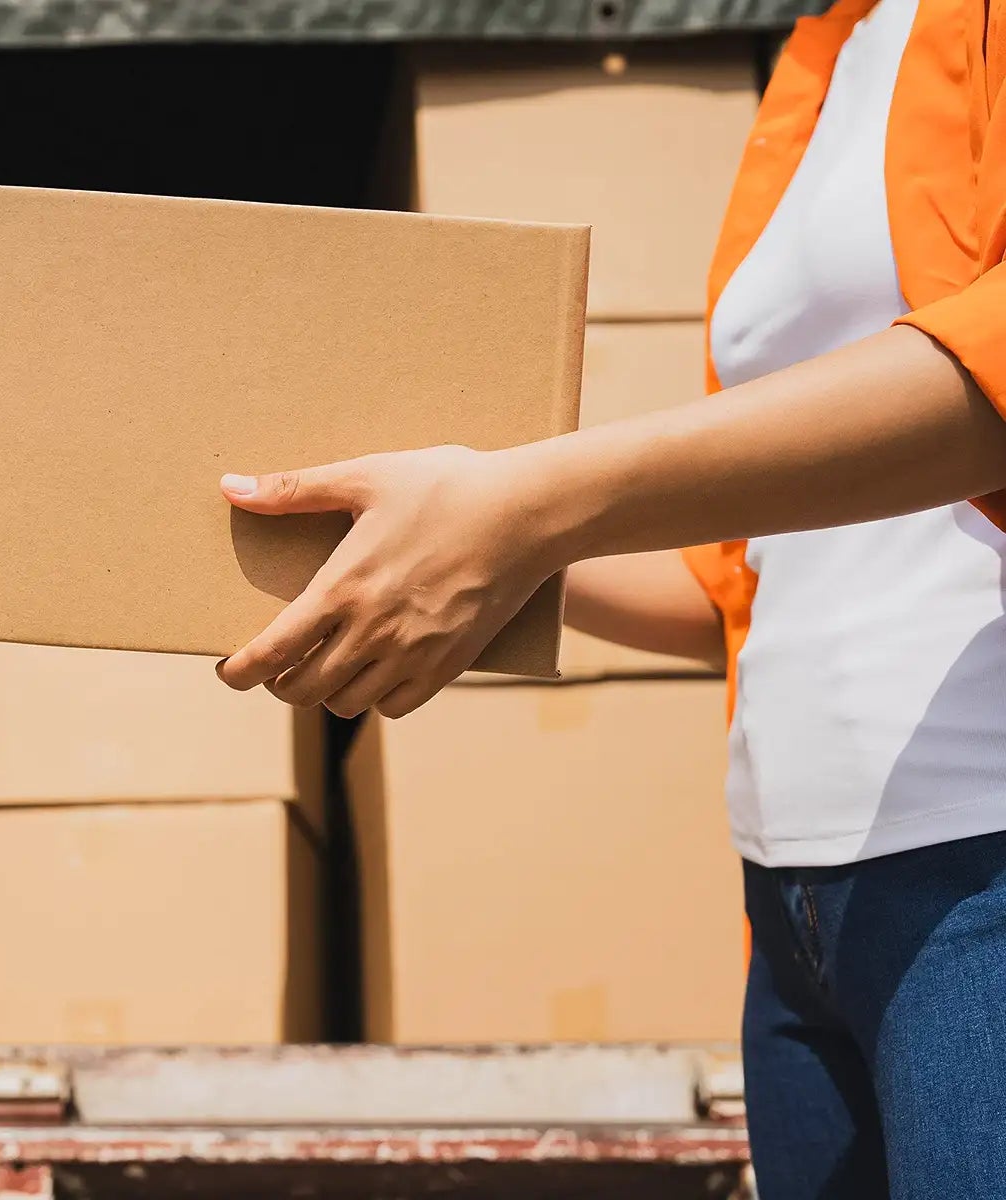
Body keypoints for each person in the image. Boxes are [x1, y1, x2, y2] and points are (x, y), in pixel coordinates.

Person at [218, 0, 1006, 1193]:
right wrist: (454, 535)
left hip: (979, 873)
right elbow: (754, 587)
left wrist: (530, 506)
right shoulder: (828, 50)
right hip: (796, 899)